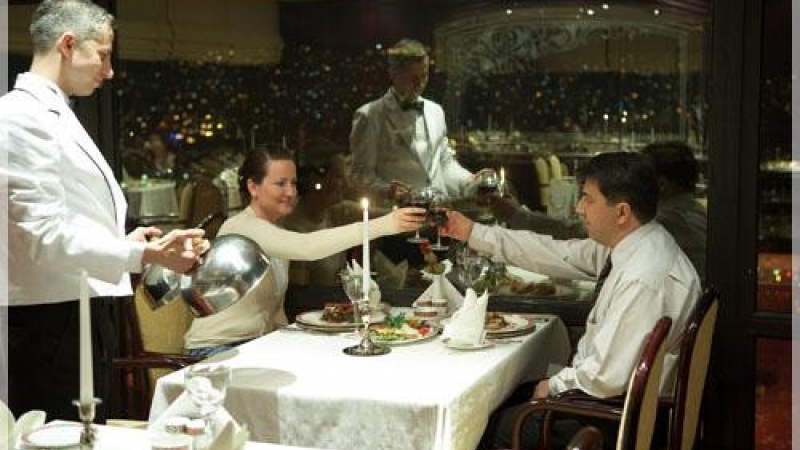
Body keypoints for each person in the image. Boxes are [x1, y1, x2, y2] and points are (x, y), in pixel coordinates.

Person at [0, 0, 205, 422]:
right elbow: (44, 237)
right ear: (68, 44)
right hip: (48, 322)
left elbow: (65, 219)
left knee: (91, 433)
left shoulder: (52, 111)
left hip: (73, 309)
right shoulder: (20, 117)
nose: (109, 71)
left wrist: (123, 242)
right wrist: (142, 255)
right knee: (65, 438)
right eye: (104, 54)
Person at [440, 152, 701, 448]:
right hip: (615, 399)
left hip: (612, 420)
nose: (579, 208)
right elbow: (555, 252)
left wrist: (551, 385)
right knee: (498, 396)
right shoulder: (639, 243)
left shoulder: (642, 278)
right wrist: (471, 232)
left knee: (478, 426)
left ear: (622, 212)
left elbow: (606, 378)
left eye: (588, 199)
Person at [183, 147, 425, 357]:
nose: (291, 192)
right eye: (280, 184)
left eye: (293, 183)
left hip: (257, 343)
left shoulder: (275, 229)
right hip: (218, 349)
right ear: (253, 187)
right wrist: (385, 225)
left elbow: (272, 311)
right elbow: (306, 247)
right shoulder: (242, 227)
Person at [489, 141, 707, 278]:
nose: (579, 208)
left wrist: (517, 216)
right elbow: (569, 250)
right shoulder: (686, 215)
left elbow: (575, 233)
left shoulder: (666, 226)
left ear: (660, 185)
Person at [349, 38, 474, 202]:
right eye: (413, 78)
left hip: (440, 208)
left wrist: (470, 180)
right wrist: (387, 191)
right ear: (394, 74)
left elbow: (444, 164)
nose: (420, 84)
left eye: (424, 76)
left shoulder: (436, 111)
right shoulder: (369, 115)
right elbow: (360, 176)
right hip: (399, 212)